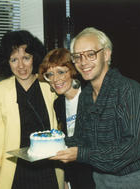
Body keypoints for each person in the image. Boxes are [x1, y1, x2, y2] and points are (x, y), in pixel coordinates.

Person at [50, 27, 140, 188]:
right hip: (100, 178)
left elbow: (133, 149)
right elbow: (81, 138)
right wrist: (51, 145)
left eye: (90, 54)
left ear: (106, 54)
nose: (83, 61)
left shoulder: (129, 90)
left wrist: (81, 154)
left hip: (134, 179)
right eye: (77, 57)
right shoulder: (86, 95)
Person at [0, 30, 64, 189]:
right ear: (7, 62)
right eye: (14, 59)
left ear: (35, 57)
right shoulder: (0, 91)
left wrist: (66, 178)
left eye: (26, 58)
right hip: (15, 173)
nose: (21, 66)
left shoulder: (50, 86)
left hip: (49, 171)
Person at [38, 48, 96, 189]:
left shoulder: (92, 95)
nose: (55, 79)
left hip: (97, 172)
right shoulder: (58, 104)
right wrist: (66, 179)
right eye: (49, 74)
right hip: (76, 173)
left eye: (61, 72)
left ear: (72, 71)